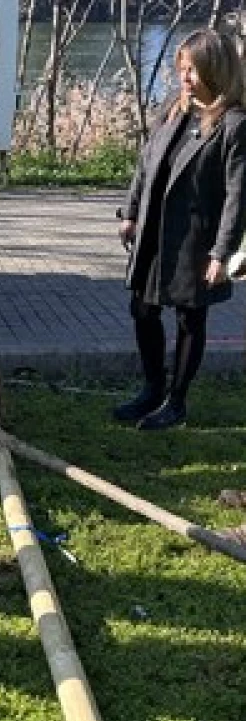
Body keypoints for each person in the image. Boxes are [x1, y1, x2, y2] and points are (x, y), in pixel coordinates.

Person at [114, 28, 246, 430]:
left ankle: (176, 402)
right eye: (182, 68)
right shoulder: (175, 107)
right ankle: (152, 390)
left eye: (192, 70)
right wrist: (131, 212)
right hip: (155, 229)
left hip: (196, 240)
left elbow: (239, 196)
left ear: (216, 71)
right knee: (143, 308)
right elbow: (146, 163)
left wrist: (221, 253)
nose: (184, 78)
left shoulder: (234, 125)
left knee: (190, 318)